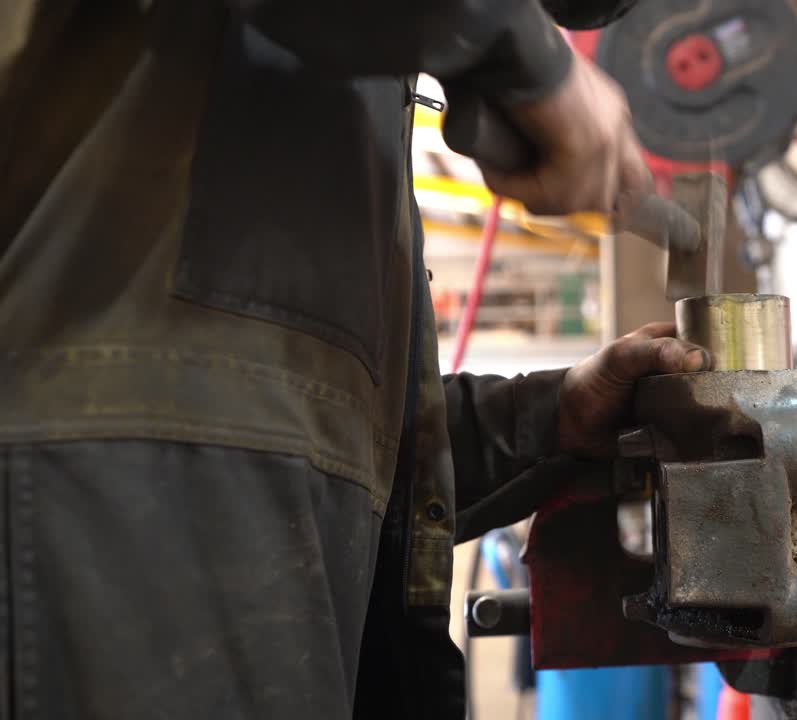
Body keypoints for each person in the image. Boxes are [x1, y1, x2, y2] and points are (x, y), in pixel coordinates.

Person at [0, 1, 707, 717]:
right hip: (97, 545)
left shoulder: (352, 68)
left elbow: (338, 443)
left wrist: (549, 420)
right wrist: (524, 54)